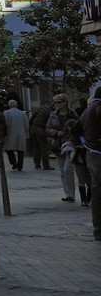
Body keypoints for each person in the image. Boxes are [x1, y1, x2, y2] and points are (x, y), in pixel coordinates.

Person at [48, 94, 82, 201]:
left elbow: (79, 128)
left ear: (65, 102)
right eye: (55, 102)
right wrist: (57, 133)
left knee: (68, 169)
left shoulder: (73, 114)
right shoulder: (52, 115)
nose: (56, 104)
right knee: (63, 171)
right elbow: (47, 128)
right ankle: (68, 194)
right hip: (58, 145)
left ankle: (71, 194)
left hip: (70, 144)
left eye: (59, 102)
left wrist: (70, 136)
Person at [81, 88, 101, 239]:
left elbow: (74, 129)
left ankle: (98, 230)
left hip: (91, 154)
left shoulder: (87, 111)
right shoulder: (98, 109)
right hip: (99, 154)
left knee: (96, 194)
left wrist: (86, 142)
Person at [2, 97, 29, 172]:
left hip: (10, 133)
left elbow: (5, 123)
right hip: (21, 133)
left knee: (8, 149)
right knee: (20, 150)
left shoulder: (6, 113)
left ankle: (13, 162)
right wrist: (26, 131)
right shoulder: (22, 113)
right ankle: (20, 166)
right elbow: (27, 124)